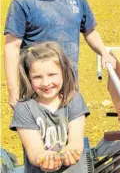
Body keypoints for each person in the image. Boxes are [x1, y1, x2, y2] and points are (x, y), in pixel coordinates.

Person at [4, 0, 115, 109]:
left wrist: (104, 53)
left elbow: (90, 31)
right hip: (36, 91)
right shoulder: (23, 2)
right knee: (39, 134)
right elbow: (11, 48)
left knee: (72, 133)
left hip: (69, 88)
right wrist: (13, 92)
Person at [10, 41, 90, 172]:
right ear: (28, 78)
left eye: (52, 75)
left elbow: (76, 140)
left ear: (64, 73)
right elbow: (34, 149)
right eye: (37, 77)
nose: (46, 83)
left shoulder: (74, 99)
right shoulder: (24, 108)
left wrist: (71, 151)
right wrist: (42, 157)